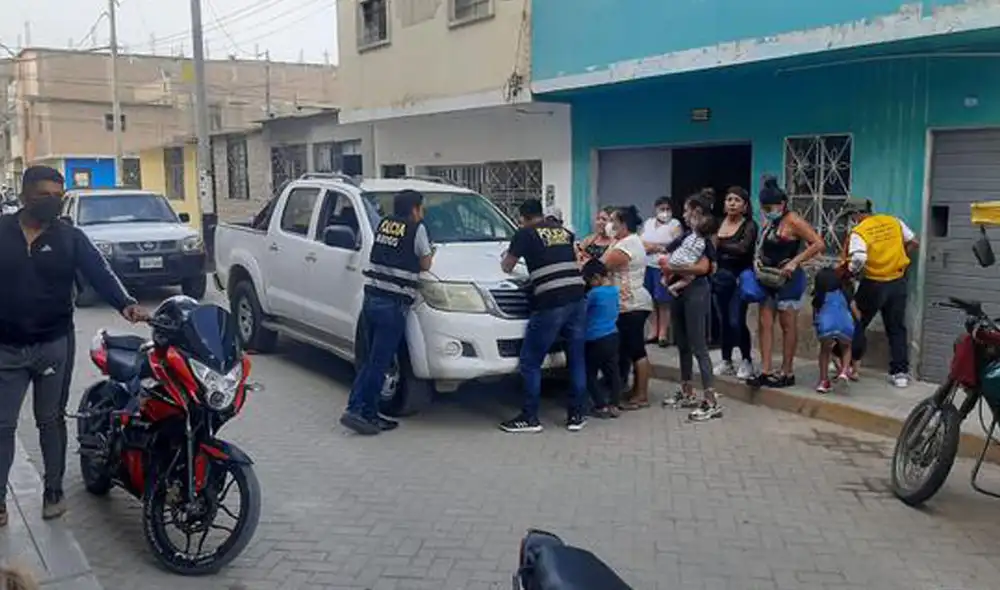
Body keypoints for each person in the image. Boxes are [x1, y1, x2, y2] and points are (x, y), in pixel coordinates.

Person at [0, 165, 147, 527]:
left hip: (53, 344)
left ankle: (53, 491)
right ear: (24, 197)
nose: (51, 202)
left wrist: (125, 303)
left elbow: (99, 271)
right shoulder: (2, 232)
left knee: (50, 421)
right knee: (2, 425)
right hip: (6, 348)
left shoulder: (70, 237)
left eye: (57, 196)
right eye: (43, 196)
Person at [340, 189, 435, 436]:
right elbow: (425, 263)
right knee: (379, 364)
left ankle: (357, 407)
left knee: (370, 362)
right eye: (421, 208)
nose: (421, 212)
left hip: (372, 299)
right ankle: (363, 413)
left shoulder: (384, 225)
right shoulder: (417, 229)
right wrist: (430, 252)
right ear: (415, 208)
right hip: (392, 305)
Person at [500, 199, 588, 433]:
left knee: (530, 361)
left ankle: (529, 417)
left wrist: (508, 256)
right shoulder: (564, 232)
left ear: (524, 217)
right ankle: (576, 416)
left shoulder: (525, 233)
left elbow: (507, 267)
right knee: (576, 358)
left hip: (551, 302)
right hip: (578, 298)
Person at [749, 176, 824, 388]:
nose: (766, 211)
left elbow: (818, 244)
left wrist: (795, 262)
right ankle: (765, 370)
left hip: (788, 280)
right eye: (763, 208)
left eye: (770, 207)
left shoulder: (794, 220)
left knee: (787, 326)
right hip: (767, 278)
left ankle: (787, 371)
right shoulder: (770, 221)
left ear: (781, 205)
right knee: (765, 324)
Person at [841, 197, 919, 387]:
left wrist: (850, 271)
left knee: (856, 322)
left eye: (852, 216)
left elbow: (858, 257)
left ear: (857, 214)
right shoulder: (893, 221)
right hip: (898, 281)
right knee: (896, 328)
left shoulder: (860, 231)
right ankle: (900, 373)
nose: (852, 220)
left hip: (874, 284)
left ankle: (845, 362)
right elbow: (914, 242)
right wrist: (899, 257)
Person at [660, 194, 722, 421]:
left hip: (696, 292)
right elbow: (667, 252)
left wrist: (682, 269)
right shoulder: (686, 237)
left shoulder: (705, 240)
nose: (684, 215)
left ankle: (711, 400)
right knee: (683, 344)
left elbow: (707, 267)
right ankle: (687, 391)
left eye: (687, 211)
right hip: (679, 291)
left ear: (698, 213)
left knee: (698, 346)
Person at [602, 206, 654, 410]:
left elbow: (604, 264)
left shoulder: (628, 244)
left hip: (632, 303)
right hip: (624, 303)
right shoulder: (623, 242)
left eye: (613, 220)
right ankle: (632, 389)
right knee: (627, 348)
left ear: (623, 224)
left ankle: (641, 395)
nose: (609, 225)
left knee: (636, 349)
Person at [713, 187, 757, 379]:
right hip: (720, 279)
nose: (732, 203)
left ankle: (746, 360)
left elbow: (742, 248)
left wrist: (719, 245)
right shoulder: (717, 224)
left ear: (745, 206)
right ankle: (726, 360)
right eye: (729, 199)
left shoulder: (749, 225)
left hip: (740, 278)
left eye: (737, 200)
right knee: (723, 321)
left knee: (736, 319)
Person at [581, 259, 622, 419]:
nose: (588, 284)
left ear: (596, 277)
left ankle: (600, 405)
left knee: (589, 373)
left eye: (588, 280)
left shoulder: (593, 294)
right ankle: (615, 403)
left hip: (594, 338)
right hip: (612, 335)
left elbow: (582, 312)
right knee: (613, 371)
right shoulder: (614, 291)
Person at [640, 197, 683, 346]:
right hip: (647, 265)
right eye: (661, 209)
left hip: (663, 267)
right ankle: (653, 331)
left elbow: (676, 243)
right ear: (656, 209)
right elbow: (641, 242)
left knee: (663, 300)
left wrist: (655, 247)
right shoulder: (649, 223)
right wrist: (660, 246)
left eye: (667, 209)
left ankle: (663, 333)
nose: (664, 212)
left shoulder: (675, 224)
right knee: (649, 298)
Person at [812, 267, 858, 393]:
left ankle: (823, 381)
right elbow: (855, 311)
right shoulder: (845, 293)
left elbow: (816, 315)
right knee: (846, 347)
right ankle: (844, 371)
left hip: (826, 325)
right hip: (844, 324)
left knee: (825, 351)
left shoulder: (819, 297)